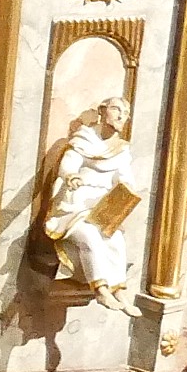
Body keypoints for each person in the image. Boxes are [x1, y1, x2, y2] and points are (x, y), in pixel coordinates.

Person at [41, 93, 141, 313]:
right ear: (102, 110)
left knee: (115, 238)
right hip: (75, 204)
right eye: (116, 110)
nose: (121, 116)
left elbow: (124, 178)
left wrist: (126, 193)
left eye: (125, 114)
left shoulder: (121, 149)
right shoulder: (83, 139)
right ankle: (101, 290)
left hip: (102, 206)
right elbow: (68, 166)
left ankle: (119, 291)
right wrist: (71, 177)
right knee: (89, 236)